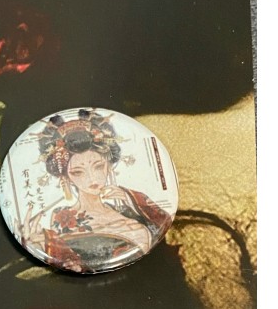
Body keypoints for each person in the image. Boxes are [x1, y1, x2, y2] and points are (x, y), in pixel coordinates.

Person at [22, 109, 172, 272]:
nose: (92, 178)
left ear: (109, 165)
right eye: (78, 172)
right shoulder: (62, 218)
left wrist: (130, 198)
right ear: (66, 177)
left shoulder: (131, 209)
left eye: (98, 166)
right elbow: (74, 265)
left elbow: (165, 226)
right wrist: (42, 245)